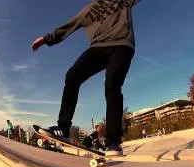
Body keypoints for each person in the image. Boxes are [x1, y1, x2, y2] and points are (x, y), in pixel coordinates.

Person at [31, 0, 141, 156]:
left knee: (112, 84)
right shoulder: (88, 10)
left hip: (122, 45)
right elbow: (69, 26)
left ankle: (114, 141)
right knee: (72, 76)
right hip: (97, 47)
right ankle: (63, 128)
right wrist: (46, 38)